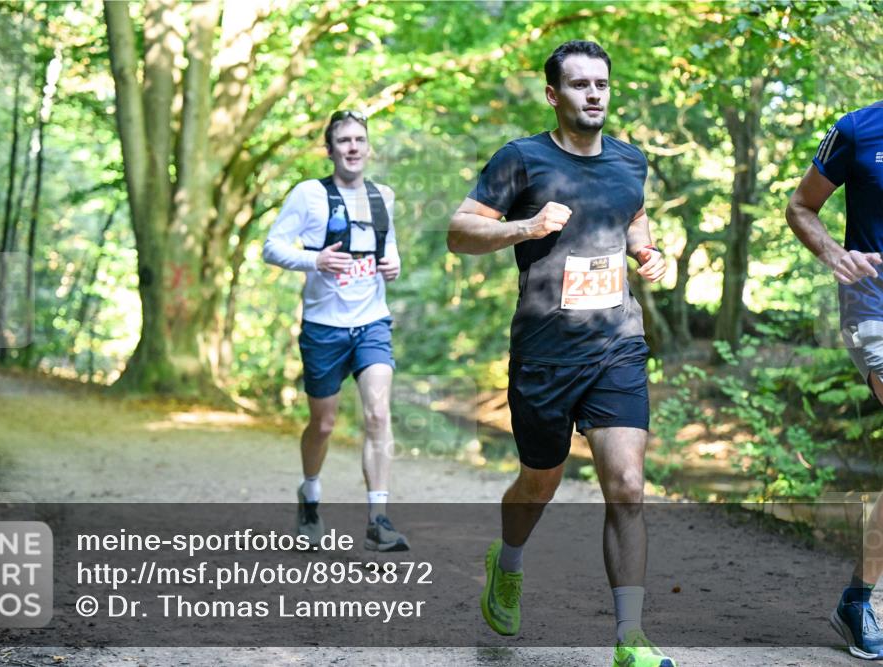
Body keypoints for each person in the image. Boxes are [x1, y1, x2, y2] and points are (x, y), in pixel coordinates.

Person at [447, 41, 674, 667]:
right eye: (579, 85)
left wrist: (648, 254)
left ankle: (629, 639)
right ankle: (508, 564)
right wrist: (525, 226)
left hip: (616, 345)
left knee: (627, 485)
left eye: (602, 83)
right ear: (554, 95)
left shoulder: (631, 161)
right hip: (545, 355)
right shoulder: (521, 159)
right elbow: (460, 231)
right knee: (539, 484)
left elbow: (635, 221)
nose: (594, 94)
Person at [262, 109, 408, 552]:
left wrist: (394, 264)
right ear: (330, 150)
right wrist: (315, 260)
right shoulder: (308, 195)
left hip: (371, 323)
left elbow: (390, 250)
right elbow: (271, 247)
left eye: (359, 140)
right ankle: (309, 494)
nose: (352, 147)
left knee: (378, 414)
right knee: (323, 424)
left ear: (368, 148)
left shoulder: (384, 196)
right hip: (324, 329)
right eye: (343, 141)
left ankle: (378, 519)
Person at [786, 101, 883, 660]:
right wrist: (832, 252)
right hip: (875, 306)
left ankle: (856, 599)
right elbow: (801, 207)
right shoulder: (857, 128)